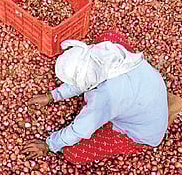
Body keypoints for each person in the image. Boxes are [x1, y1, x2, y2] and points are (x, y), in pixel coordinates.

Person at [22, 39, 169, 164]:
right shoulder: (108, 52)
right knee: (111, 35)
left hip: (144, 134)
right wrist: (53, 96)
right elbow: (87, 76)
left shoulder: (105, 98)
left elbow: (79, 129)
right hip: (147, 93)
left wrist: (49, 145)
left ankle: (136, 145)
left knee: (73, 154)